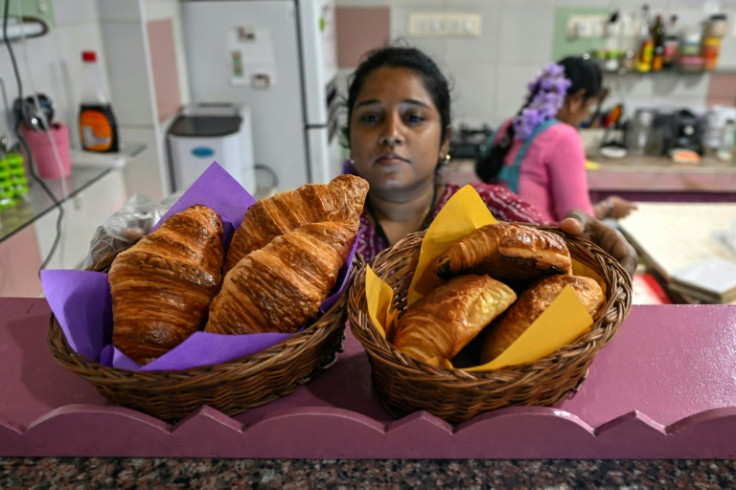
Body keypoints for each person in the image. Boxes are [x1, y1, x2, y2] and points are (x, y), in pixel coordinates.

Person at [344, 45, 637, 276]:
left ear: (445, 140)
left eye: (413, 118)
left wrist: (587, 250)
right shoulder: (327, 231)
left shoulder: (494, 211)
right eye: (371, 118)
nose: (391, 133)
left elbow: (560, 255)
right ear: (348, 136)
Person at [474, 56, 637, 223]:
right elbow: (578, 221)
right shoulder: (564, 137)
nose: (587, 115)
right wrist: (608, 208)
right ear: (576, 99)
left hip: (498, 235)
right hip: (536, 242)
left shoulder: (509, 125)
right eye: (590, 106)